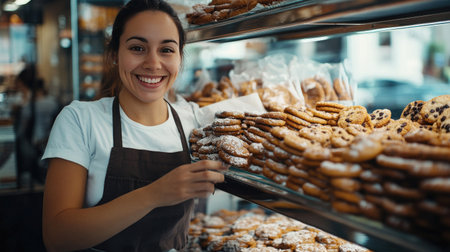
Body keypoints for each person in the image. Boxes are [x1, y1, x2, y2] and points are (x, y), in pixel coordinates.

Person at [41, 1, 228, 251]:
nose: (153, 63)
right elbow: (57, 236)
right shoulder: (80, 119)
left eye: (167, 50)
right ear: (113, 55)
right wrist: (155, 194)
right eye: (138, 48)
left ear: (180, 57)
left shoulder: (194, 121)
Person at [13, 64, 59, 188]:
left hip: (34, 146)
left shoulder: (28, 106)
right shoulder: (52, 102)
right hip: (49, 142)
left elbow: (21, 132)